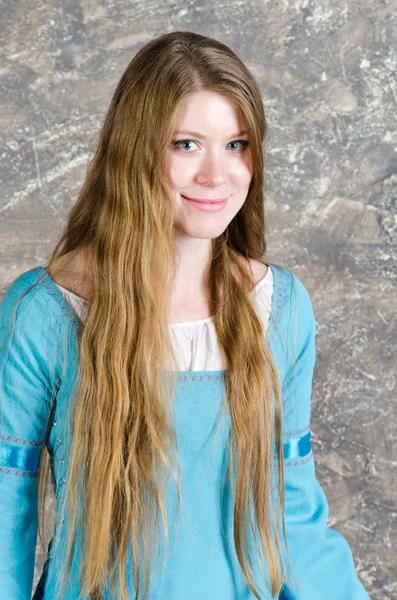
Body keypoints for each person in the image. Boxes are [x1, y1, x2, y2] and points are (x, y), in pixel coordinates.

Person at [0, 31, 371, 600]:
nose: (217, 176)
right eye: (186, 144)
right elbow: (7, 516)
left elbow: (292, 511)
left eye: (237, 144)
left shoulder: (283, 308)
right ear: (136, 149)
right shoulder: (43, 313)